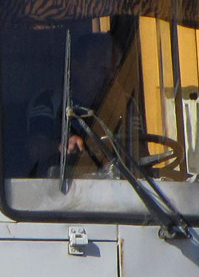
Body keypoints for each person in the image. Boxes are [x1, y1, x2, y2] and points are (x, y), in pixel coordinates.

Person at [22, 32, 132, 178]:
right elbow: (36, 147)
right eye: (101, 69)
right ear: (76, 67)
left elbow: (140, 152)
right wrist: (62, 146)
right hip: (63, 191)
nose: (111, 77)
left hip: (119, 190)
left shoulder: (123, 105)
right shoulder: (49, 100)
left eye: (115, 69)